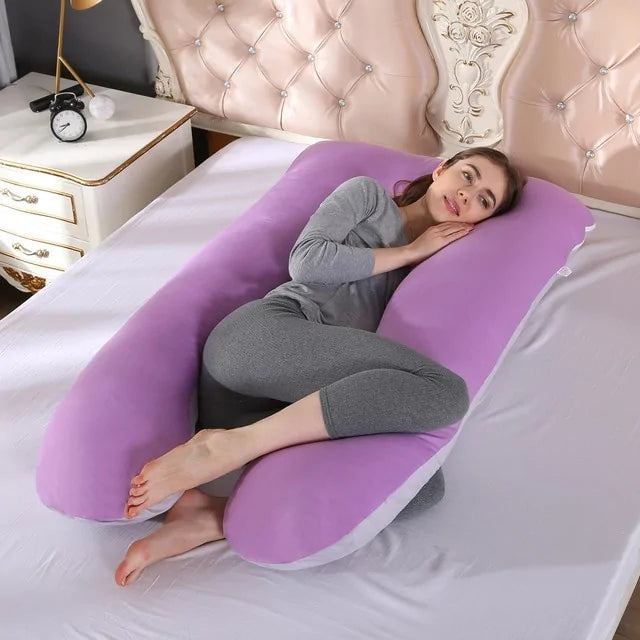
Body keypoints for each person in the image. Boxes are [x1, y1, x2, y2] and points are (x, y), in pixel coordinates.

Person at [115, 147, 526, 586]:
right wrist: (409, 252)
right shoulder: (368, 198)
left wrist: (424, 256)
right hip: (256, 343)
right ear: (441, 169)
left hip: (292, 408)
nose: (466, 195)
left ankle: (210, 515)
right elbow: (307, 261)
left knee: (422, 487)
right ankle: (229, 447)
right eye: (467, 176)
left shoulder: (442, 265)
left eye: (484, 200)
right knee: (445, 392)